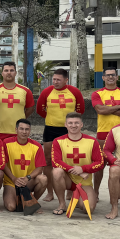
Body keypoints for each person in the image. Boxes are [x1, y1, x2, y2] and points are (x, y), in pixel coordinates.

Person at [36, 69, 84, 201]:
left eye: (58, 79)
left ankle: (69, 190)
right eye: (54, 79)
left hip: (68, 131)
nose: (55, 82)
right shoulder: (47, 92)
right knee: (48, 160)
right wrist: (52, 118)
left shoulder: (74, 92)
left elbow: (80, 110)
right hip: (51, 129)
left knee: (68, 159)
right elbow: (40, 109)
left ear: (66, 80)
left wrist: (69, 124)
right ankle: (50, 192)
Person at [50, 113, 103, 216]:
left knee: (88, 209)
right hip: (67, 179)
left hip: (84, 181)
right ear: (65, 124)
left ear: (82, 125)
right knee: (56, 171)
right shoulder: (58, 141)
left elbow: (100, 163)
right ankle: (62, 204)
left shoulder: (92, 141)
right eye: (70, 123)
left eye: (76, 123)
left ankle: (77, 196)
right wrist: (77, 172)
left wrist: (83, 169)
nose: (73, 125)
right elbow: (55, 161)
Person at [91, 68, 120, 197]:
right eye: (107, 75)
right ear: (103, 78)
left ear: (117, 77)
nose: (110, 77)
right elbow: (100, 110)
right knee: (100, 164)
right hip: (103, 131)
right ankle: (96, 191)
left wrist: (107, 109)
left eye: (113, 75)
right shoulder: (97, 93)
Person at [2, 118, 48, 212]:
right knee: (11, 207)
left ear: (30, 131)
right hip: (11, 182)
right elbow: (3, 165)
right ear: (16, 130)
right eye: (21, 129)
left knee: (43, 179)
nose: (24, 132)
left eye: (27, 129)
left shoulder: (36, 146)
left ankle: (31, 202)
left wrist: (27, 178)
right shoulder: (6, 143)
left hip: (27, 181)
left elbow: (40, 168)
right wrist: (14, 178)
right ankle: (18, 199)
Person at [0, 62, 35, 141]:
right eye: (6, 70)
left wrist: (21, 119)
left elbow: (30, 109)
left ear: (16, 73)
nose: (9, 73)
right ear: (2, 73)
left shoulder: (26, 91)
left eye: (11, 70)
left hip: (18, 133)